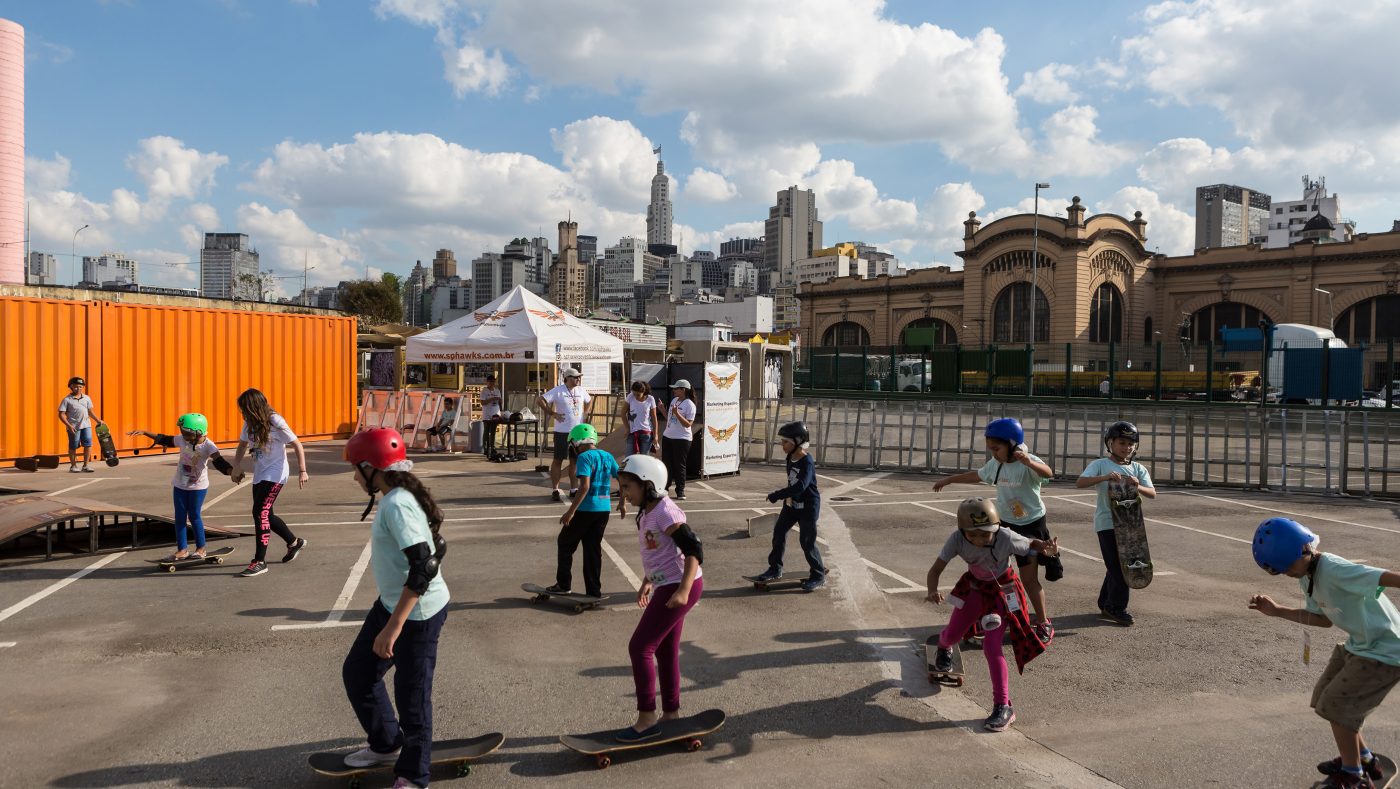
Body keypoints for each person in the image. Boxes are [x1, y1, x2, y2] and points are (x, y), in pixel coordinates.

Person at [1249, 518, 1400, 789]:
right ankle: (1364, 760)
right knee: (1324, 697)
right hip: (1361, 644)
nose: (1287, 574)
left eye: (1288, 568)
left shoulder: (1335, 569)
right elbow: (1322, 619)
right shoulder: (1308, 575)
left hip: (1386, 650)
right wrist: (1278, 610)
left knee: (1338, 705)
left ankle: (1353, 776)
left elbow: (1381, 576)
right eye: (1281, 572)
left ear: (1304, 549)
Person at [340, 428, 449, 789]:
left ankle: (414, 776)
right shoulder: (397, 495)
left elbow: (424, 567)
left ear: (372, 468)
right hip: (392, 604)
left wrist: (394, 626)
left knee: (413, 701)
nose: (355, 477)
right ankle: (386, 744)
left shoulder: (397, 503)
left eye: (357, 469)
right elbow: (438, 547)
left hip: (416, 614)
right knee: (359, 673)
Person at [925, 498, 1059, 732]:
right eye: (973, 535)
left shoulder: (1005, 536)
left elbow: (1030, 543)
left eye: (985, 534)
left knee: (992, 647)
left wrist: (1046, 547)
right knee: (953, 634)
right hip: (975, 589)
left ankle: (1003, 705)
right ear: (962, 530)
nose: (979, 540)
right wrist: (932, 590)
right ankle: (944, 647)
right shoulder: (957, 539)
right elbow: (936, 569)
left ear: (996, 528)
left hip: (1002, 592)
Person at [933, 417, 1060, 642]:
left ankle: (1043, 622)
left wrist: (1029, 462)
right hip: (1003, 524)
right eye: (991, 448)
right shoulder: (997, 464)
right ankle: (992, 621)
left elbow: (1048, 473)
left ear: (1012, 445)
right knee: (997, 576)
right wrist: (951, 479)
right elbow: (979, 475)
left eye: (996, 448)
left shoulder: (1027, 463)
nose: (993, 453)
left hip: (1031, 524)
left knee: (1029, 578)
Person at [614, 453, 703, 742]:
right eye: (622, 487)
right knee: (664, 651)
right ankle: (671, 714)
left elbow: (693, 551)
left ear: (649, 484)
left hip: (680, 584)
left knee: (640, 648)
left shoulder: (665, 512)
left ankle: (647, 718)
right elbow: (658, 553)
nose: (624, 494)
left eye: (628, 487)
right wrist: (647, 581)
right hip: (667, 583)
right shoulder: (648, 511)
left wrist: (683, 590)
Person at [1075, 420, 1156, 625]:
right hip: (1106, 523)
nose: (1126, 447)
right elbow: (1080, 482)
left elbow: (1152, 494)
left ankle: (1105, 603)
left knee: (1118, 566)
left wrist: (1138, 487)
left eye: (1131, 444)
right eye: (1121, 443)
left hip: (1131, 526)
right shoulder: (1100, 464)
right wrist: (1103, 478)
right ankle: (1117, 607)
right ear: (1110, 443)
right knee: (1120, 568)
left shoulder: (1138, 469)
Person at [127, 414, 235, 561]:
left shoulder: (208, 445)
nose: (183, 435)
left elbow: (219, 461)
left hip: (198, 487)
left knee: (194, 516)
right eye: (182, 432)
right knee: (179, 518)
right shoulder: (182, 440)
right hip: (180, 484)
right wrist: (146, 432)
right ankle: (182, 550)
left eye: (187, 433)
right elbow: (165, 439)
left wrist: (231, 472)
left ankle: (201, 549)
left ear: (198, 432)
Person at [230, 388, 309, 577]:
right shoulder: (248, 424)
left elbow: (296, 444)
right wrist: (236, 466)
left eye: (244, 409)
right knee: (268, 515)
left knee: (259, 512)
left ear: (254, 407)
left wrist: (302, 470)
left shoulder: (275, 421)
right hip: (260, 474)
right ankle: (293, 542)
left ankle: (259, 561)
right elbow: (242, 445)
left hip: (276, 474)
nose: (242, 413)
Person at [751, 421, 827, 592]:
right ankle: (775, 568)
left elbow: (801, 486)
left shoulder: (806, 461)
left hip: (808, 507)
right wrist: (786, 499)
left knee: (807, 542)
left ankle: (818, 574)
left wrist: (777, 495)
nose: (782, 445)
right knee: (779, 533)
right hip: (791, 505)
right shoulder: (789, 458)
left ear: (797, 441)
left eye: (785, 442)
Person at [547, 423, 618, 599]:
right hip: (604, 510)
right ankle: (594, 591)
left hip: (586, 509)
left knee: (565, 542)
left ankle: (563, 585)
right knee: (592, 550)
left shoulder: (584, 457)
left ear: (577, 442)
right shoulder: (608, 456)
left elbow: (584, 486)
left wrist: (570, 511)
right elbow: (622, 478)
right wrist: (622, 502)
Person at [537, 367, 592, 502]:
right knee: (558, 460)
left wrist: (586, 412)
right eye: (575, 377)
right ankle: (555, 489)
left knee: (574, 461)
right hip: (562, 432)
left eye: (579, 377)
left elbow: (589, 400)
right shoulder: (558, 390)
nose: (578, 379)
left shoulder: (581, 390)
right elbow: (540, 400)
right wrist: (551, 413)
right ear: (567, 378)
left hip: (578, 433)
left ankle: (574, 489)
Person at [58, 376, 106, 473]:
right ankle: (73, 466)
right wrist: (68, 425)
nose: (78, 388)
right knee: (73, 446)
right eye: (76, 386)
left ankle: (86, 465)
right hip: (74, 428)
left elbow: (90, 411)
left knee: (88, 445)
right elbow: (61, 414)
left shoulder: (87, 398)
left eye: (80, 386)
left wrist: (98, 420)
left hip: (86, 426)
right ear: (71, 387)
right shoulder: (67, 400)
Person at [660, 380, 696, 500]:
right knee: (667, 464)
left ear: (683, 390)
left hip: (682, 439)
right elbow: (669, 418)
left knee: (679, 465)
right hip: (668, 437)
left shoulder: (690, 404)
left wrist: (677, 413)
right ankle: (665, 488)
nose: (674, 390)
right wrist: (662, 410)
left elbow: (688, 424)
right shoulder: (674, 401)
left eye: (676, 388)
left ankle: (680, 491)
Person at [620, 380, 661, 456]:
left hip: (646, 433)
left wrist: (656, 435)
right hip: (632, 433)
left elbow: (654, 418)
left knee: (644, 458)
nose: (635, 396)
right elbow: (622, 414)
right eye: (634, 393)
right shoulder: (630, 396)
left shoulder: (650, 399)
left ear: (644, 392)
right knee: (629, 458)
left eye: (638, 395)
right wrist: (627, 428)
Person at [479, 373, 504, 457]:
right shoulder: (484, 391)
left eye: (493, 382)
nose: (491, 383)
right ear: (487, 382)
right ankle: (485, 448)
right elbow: (483, 403)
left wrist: (500, 401)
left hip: (495, 414)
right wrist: (492, 399)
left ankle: (492, 448)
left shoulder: (497, 390)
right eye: (490, 382)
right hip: (487, 414)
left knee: (493, 432)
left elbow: (501, 402)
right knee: (486, 431)